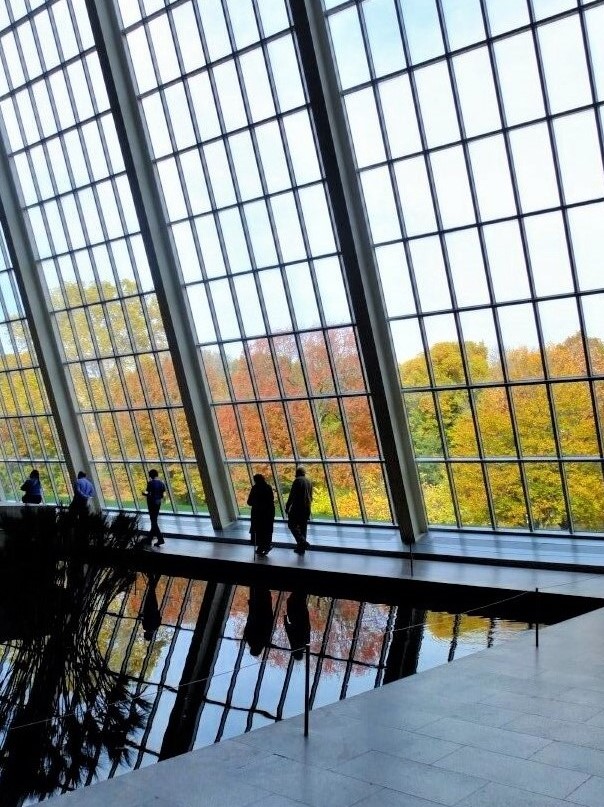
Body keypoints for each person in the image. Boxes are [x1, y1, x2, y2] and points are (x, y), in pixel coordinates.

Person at [285, 466, 312, 554]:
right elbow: (311, 496)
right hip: (306, 507)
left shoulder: (297, 481)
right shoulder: (309, 481)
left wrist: (287, 506)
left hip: (297, 507)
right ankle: (301, 548)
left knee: (291, 524)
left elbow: (292, 495)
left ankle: (303, 542)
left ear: (297, 473)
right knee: (303, 528)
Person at [247, 473, 275, 556]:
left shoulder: (255, 488)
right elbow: (271, 499)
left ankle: (260, 546)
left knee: (258, 530)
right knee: (267, 530)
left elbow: (249, 502)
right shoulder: (268, 487)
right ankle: (266, 545)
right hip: (268, 513)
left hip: (257, 513)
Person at [243, 587, 274, 657]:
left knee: (263, 596)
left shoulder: (263, 641)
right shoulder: (249, 638)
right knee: (257, 594)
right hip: (256, 612)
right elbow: (249, 622)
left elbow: (268, 626)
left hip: (265, 615)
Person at [284, 591, 310, 661]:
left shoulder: (305, 644)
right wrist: (285, 619)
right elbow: (289, 631)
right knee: (293, 600)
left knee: (301, 600)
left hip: (303, 618)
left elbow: (308, 628)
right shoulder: (295, 644)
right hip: (294, 617)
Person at [142, 469, 166, 547]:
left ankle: (160, 539)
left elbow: (148, 493)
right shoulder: (162, 483)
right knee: (154, 521)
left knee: (154, 521)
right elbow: (162, 495)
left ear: (151, 475)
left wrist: (144, 494)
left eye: (149, 474)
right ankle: (149, 539)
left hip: (151, 503)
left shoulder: (150, 483)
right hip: (158, 503)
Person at [142, 573, 161, 641]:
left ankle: (155, 576)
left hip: (154, 608)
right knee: (151, 591)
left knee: (152, 591)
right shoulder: (145, 627)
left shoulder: (156, 627)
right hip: (147, 608)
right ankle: (152, 575)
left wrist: (156, 611)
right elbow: (144, 618)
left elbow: (159, 617)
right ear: (147, 634)